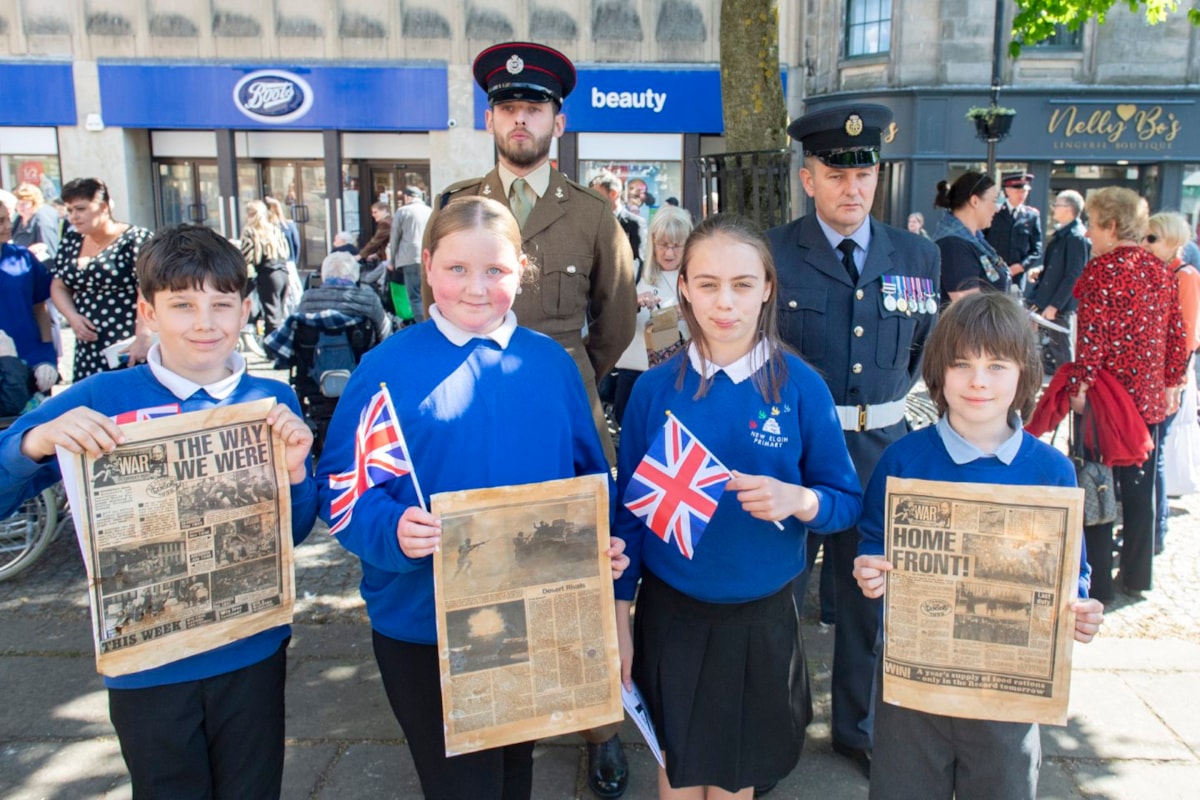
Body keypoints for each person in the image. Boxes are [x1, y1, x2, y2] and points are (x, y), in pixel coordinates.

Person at [316, 196, 628, 800]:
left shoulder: (552, 365)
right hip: (423, 626)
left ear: (522, 270)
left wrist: (596, 547)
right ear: (427, 265)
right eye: (457, 269)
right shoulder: (385, 368)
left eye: (495, 271)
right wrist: (392, 530)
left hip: (535, 622)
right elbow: (342, 489)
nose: (476, 288)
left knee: (515, 776)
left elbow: (587, 482)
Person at [0, 223, 318, 798]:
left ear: (245, 310)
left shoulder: (273, 401)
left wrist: (295, 475)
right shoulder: (101, 397)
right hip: (147, 662)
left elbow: (290, 535)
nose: (205, 322)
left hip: (250, 647)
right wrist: (34, 442)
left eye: (222, 305)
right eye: (182, 305)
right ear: (148, 310)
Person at [613, 213, 863, 797]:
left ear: (769, 288)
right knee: (675, 767)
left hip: (762, 616)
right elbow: (629, 517)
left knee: (736, 780)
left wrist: (799, 499)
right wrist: (619, 617)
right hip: (672, 615)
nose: (724, 302)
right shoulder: (654, 389)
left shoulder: (801, 387)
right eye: (707, 284)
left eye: (743, 284)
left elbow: (844, 500)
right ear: (683, 287)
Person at [852, 291, 1105, 800]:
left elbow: (1070, 569)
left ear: (1024, 374)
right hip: (913, 691)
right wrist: (868, 568)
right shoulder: (903, 461)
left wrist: (1080, 606)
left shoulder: (1051, 471)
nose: (978, 381)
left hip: (1006, 694)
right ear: (939, 372)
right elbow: (873, 540)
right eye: (962, 363)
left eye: (997, 365)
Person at [766, 102, 940, 780]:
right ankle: (777, 733)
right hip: (794, 451)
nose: (853, 188)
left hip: (881, 449)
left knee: (871, 599)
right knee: (778, 598)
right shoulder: (775, 253)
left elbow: (925, 346)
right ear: (809, 178)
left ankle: (856, 727)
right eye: (837, 174)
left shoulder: (917, 254)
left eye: (864, 174)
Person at [420, 41, 636, 476]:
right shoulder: (453, 207)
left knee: (570, 533)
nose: (520, 118)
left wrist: (568, 369)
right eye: (508, 107)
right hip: (471, 400)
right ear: (489, 120)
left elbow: (617, 320)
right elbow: (433, 306)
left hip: (562, 405)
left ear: (558, 123)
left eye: (534, 108)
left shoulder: (592, 214)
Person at [1064, 187, 1189, 602]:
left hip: (1106, 402)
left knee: (1099, 485)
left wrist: (1079, 385)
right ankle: (1137, 576)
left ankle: (1098, 583)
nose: (1087, 232)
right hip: (1148, 399)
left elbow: (1092, 340)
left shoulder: (1102, 270)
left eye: (1092, 223)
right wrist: (1173, 382)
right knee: (1140, 491)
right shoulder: (1160, 269)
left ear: (1112, 226)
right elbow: (1178, 335)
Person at [51, 178, 153, 381]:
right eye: (70, 210)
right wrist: (72, 317)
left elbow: (149, 288)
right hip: (87, 345)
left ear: (104, 207)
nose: (74, 217)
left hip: (127, 340)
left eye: (80, 209)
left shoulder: (135, 239)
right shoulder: (71, 241)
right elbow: (59, 285)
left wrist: (144, 335)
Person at [1143, 211, 1200, 554]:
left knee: (1156, 454)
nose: (1145, 245)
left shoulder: (1185, 275)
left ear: (1171, 241)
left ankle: (1157, 530)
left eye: (1152, 239)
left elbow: (1189, 336)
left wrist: (1173, 384)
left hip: (1167, 379)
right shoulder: (1157, 272)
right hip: (1150, 377)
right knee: (1149, 453)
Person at [609, 205, 693, 427]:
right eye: (663, 245)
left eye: (676, 246)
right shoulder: (634, 270)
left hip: (680, 376)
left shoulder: (698, 276)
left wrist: (691, 314)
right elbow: (609, 316)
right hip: (635, 373)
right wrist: (632, 304)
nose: (669, 253)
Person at [1030, 190, 1089, 375]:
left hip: (1059, 307)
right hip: (1048, 301)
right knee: (1049, 351)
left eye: (1057, 205)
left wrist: (1055, 305)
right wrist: (1041, 272)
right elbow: (1059, 267)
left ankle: (1070, 389)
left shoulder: (1076, 237)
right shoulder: (1064, 234)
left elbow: (1074, 275)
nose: (1053, 208)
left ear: (1069, 209)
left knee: (1062, 351)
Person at [0, 210, 58, 392]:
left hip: (30, 362)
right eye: (0, 221)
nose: (8, 226)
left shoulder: (22, 257)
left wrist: (47, 355)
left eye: (8, 218)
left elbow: (40, 308)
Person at [933, 171, 1008, 304]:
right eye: (994, 201)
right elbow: (970, 309)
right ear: (975, 201)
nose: (996, 209)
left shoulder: (973, 241)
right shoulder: (953, 246)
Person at [286, 251, 392, 342]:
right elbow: (385, 333)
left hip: (314, 359)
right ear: (355, 273)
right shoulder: (369, 299)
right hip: (360, 360)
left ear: (324, 274)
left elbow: (294, 330)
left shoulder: (308, 298)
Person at [984, 172, 1043, 292]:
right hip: (992, 273)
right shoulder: (995, 213)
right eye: (1017, 191)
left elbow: (1036, 250)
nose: (1021, 194)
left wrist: (1021, 266)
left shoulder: (1031, 216)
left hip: (1017, 276)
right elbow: (982, 241)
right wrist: (988, 267)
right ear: (1007, 191)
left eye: (1024, 191)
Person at [240, 200, 291, 336]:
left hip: (268, 275)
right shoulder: (274, 229)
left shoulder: (251, 231)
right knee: (279, 315)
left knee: (271, 316)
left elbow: (246, 257)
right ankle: (282, 347)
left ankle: (273, 349)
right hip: (284, 274)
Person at [388, 186, 432, 320]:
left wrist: (392, 261)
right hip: (428, 257)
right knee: (428, 295)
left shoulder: (403, 211)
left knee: (415, 296)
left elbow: (394, 237)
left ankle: (422, 326)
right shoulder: (429, 211)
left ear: (407, 197)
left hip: (409, 258)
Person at [590, 170, 646, 274]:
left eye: (596, 196)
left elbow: (639, 260)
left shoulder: (635, 223)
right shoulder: (590, 223)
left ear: (613, 194)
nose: (592, 201)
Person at [12, 182, 62, 262]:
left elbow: (50, 254)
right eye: (18, 203)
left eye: (25, 203)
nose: (20, 206)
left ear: (34, 202)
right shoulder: (18, 220)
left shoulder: (42, 222)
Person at [264, 197, 301, 266]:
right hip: (289, 263)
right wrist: (294, 261)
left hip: (271, 266)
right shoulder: (289, 226)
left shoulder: (263, 229)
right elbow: (297, 245)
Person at [357, 201, 392, 269]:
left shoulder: (385, 223)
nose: (373, 215)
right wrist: (377, 254)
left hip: (390, 259)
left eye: (375, 212)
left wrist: (361, 255)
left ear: (384, 211)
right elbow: (385, 242)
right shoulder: (390, 221)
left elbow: (375, 241)